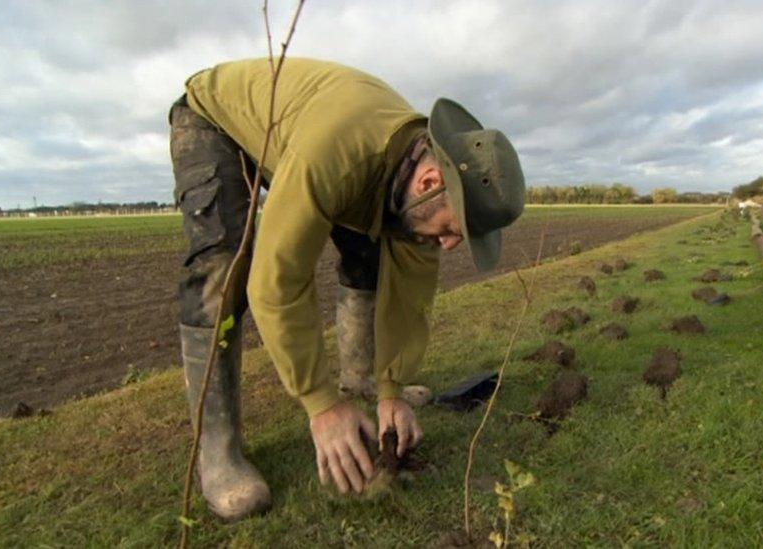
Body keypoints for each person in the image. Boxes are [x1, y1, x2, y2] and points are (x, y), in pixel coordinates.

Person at [168, 58, 525, 520]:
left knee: (374, 251)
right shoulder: (342, 154)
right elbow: (280, 278)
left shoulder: (416, 185)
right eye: (455, 229)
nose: (451, 244)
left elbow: (410, 295)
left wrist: (390, 389)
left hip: (312, 144)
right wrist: (320, 405)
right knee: (223, 270)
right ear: (431, 182)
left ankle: (360, 382)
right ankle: (218, 453)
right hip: (215, 121)